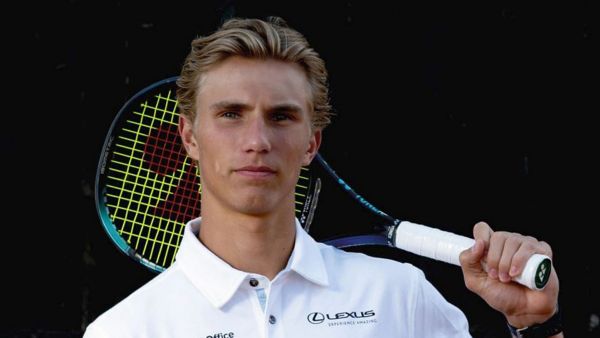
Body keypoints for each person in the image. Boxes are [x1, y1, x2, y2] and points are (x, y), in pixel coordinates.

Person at [84, 17, 562, 337]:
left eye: (281, 116)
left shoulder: (399, 295)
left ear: (312, 142)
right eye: (230, 114)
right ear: (188, 137)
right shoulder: (124, 330)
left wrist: (533, 324)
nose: (257, 140)